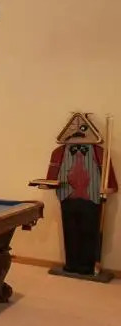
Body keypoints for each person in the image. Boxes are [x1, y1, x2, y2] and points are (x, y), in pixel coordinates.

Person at [45, 113, 117, 275]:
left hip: (91, 199)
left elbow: (108, 176)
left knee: (89, 232)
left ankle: (87, 266)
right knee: (70, 232)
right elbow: (52, 175)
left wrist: (109, 188)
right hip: (67, 198)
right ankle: (71, 264)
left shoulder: (100, 153)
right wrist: (48, 183)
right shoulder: (59, 152)